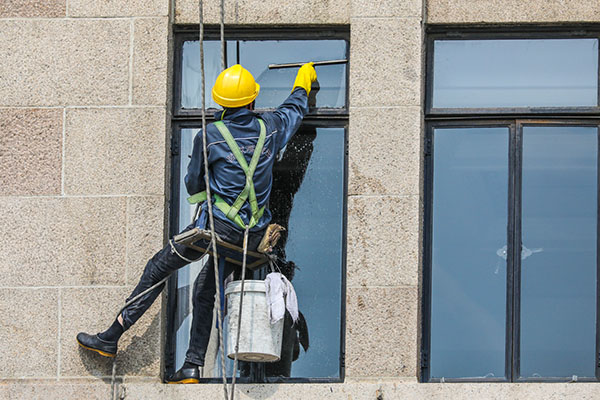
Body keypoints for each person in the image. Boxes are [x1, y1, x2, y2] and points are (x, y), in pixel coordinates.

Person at [76, 62, 317, 383]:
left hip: (216, 232)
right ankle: (191, 366)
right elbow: (293, 110)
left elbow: (193, 184)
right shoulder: (269, 128)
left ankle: (111, 336)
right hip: (254, 241)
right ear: (252, 100)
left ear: (221, 103)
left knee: (157, 269)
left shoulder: (210, 136)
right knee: (205, 290)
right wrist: (303, 80)